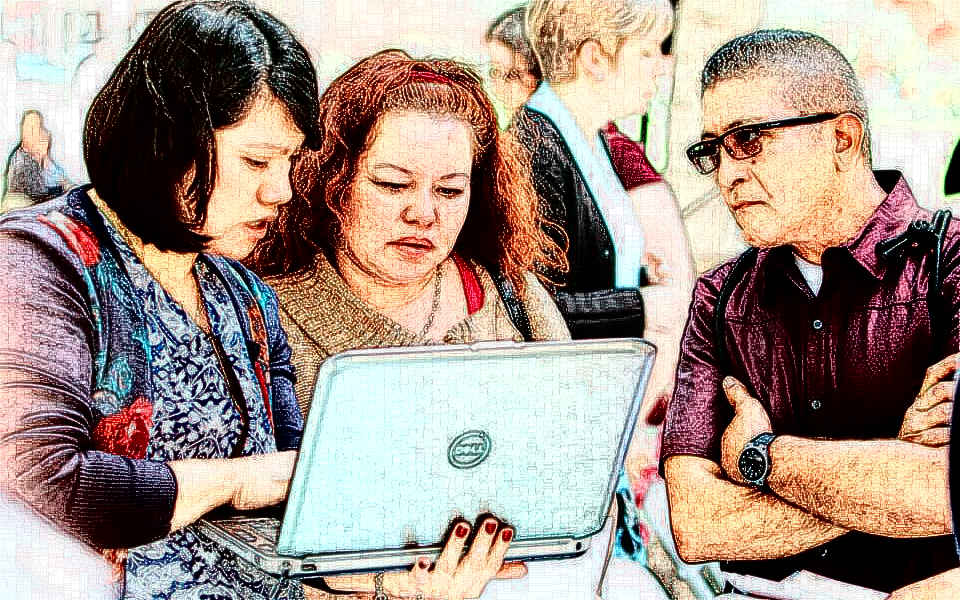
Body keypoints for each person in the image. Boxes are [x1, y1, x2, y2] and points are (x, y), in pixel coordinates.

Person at [0, 3, 515, 599]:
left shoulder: (244, 295)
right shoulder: (37, 261)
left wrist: (391, 584)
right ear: (167, 141)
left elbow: (298, 524)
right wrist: (240, 481)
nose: (281, 189)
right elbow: (46, 475)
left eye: (290, 161)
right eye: (256, 160)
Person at [250, 49, 667, 600]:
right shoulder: (260, 311)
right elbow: (241, 545)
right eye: (392, 184)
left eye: (449, 190)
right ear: (333, 181)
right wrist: (389, 590)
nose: (423, 214)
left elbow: (578, 468)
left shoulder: (512, 294)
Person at [662, 29, 960, 595]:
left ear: (842, 139)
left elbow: (945, 493)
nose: (727, 175)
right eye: (712, 151)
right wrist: (889, 470)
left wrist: (759, 456)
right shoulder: (719, 296)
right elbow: (697, 526)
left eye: (748, 139)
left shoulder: (951, 264)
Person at [512, 0, 694, 425]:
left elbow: (583, 263)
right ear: (594, 58)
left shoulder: (587, 137)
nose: (661, 66)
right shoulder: (535, 147)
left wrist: (635, 271)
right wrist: (643, 306)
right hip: (555, 407)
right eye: (647, 51)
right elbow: (525, 309)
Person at [2, 110, 71, 211]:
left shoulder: (38, 158)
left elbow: (61, 180)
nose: (42, 133)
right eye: (34, 129)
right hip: (22, 209)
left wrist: (44, 157)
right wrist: (63, 189)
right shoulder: (21, 161)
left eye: (40, 128)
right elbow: (37, 195)